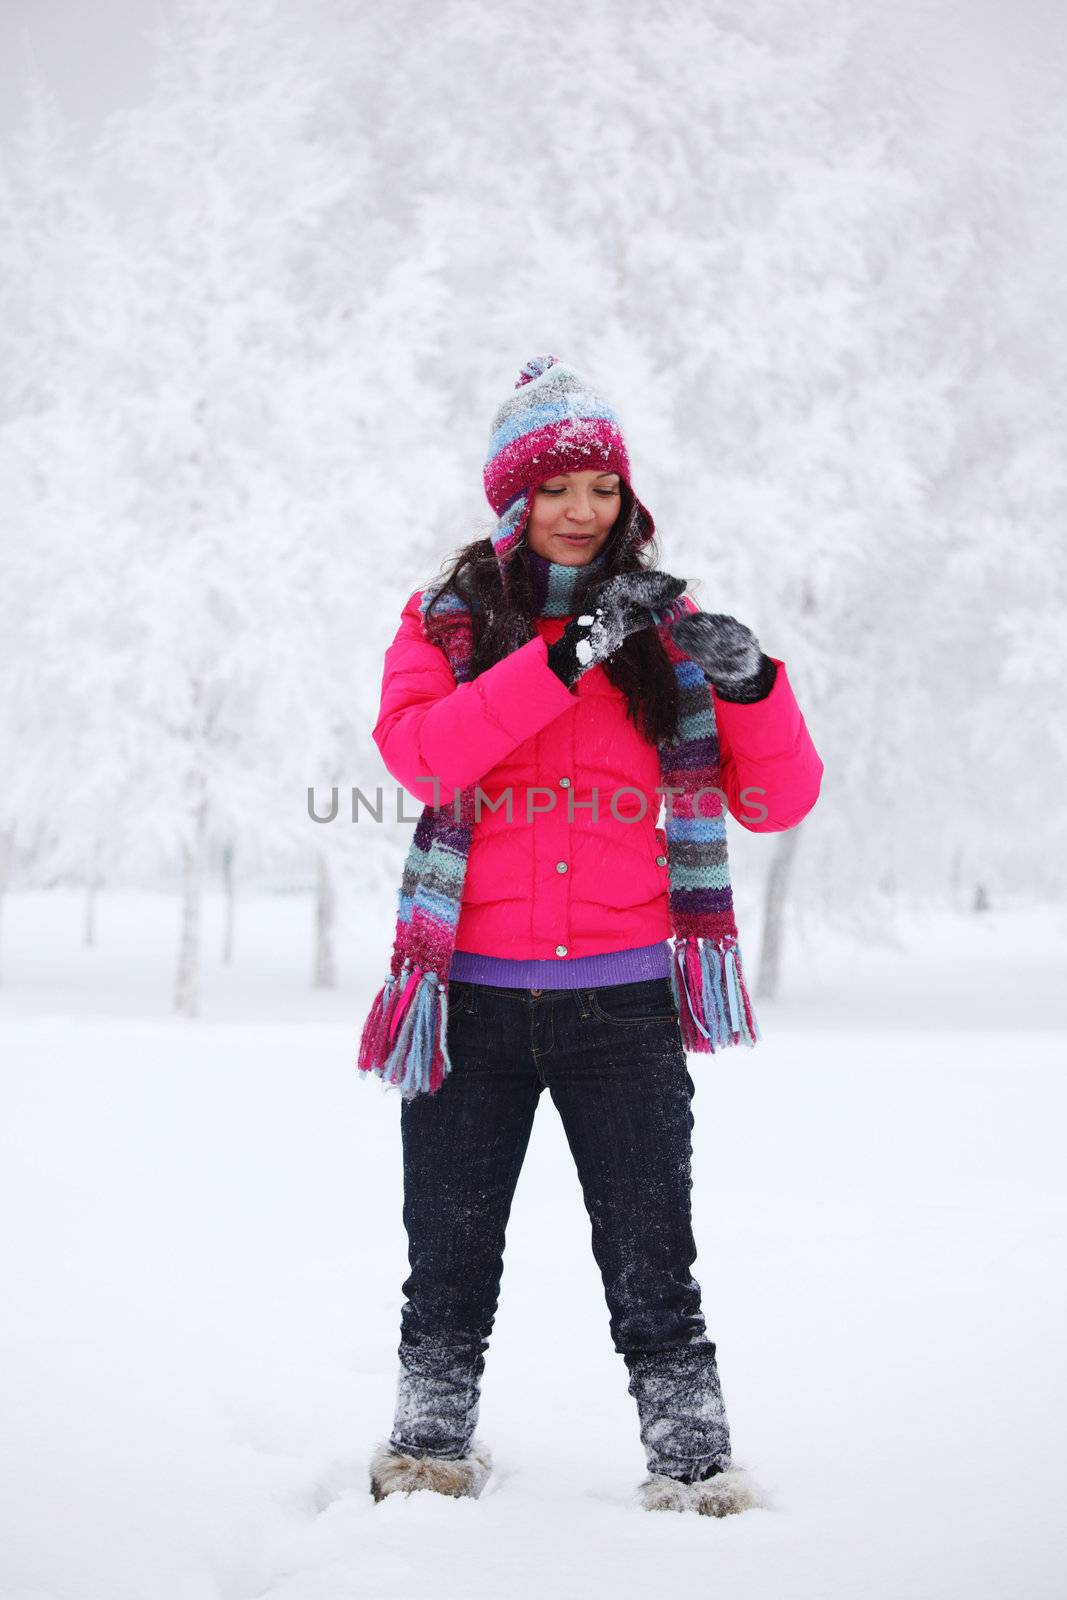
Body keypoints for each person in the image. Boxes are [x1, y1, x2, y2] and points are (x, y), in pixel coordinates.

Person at [358, 355, 823, 1516]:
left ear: (626, 501)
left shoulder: (664, 634)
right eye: (556, 488)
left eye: (602, 488)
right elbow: (425, 755)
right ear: (511, 504)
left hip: (620, 1005)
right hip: (465, 1001)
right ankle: (427, 1450)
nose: (581, 511)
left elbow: (778, 801)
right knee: (450, 1254)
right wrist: (562, 658)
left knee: (652, 1258)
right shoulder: (445, 624)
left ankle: (693, 1460)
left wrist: (755, 684)